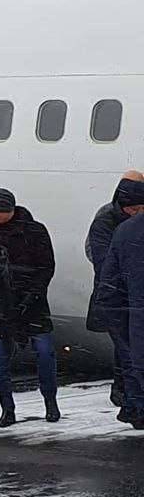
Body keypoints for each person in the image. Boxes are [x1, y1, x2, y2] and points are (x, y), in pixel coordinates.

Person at [0, 188, 58, 428]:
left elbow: (46, 267)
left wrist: (31, 296)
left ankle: (51, 403)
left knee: (45, 355)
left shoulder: (34, 231)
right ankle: (7, 409)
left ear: (9, 210)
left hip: (32, 306)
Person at [85, 171, 144, 410]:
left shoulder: (122, 224)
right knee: (128, 355)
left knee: (129, 355)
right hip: (121, 300)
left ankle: (130, 402)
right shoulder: (108, 222)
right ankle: (129, 401)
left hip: (123, 299)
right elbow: (103, 262)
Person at [93, 211, 144, 429]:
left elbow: (108, 283)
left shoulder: (126, 230)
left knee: (134, 366)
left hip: (133, 321)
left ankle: (137, 409)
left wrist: (118, 322)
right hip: (132, 318)